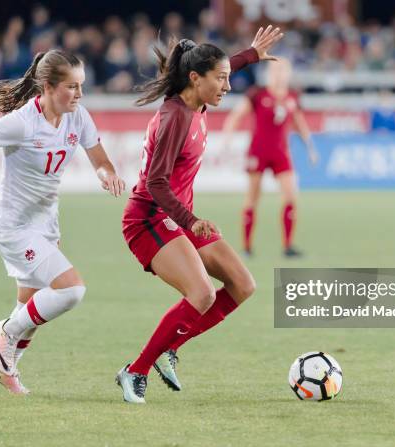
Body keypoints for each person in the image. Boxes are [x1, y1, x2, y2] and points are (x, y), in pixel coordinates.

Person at [117, 26, 283, 403]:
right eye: (221, 79)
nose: (227, 85)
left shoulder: (197, 101)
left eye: (228, 77)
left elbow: (221, 68)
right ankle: (135, 370)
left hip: (178, 216)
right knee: (202, 293)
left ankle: (168, 348)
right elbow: (156, 183)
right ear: (196, 78)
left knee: (242, 285)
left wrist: (251, 54)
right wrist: (191, 221)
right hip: (149, 220)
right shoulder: (176, 116)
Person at [0, 49, 125, 394]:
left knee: (31, 308)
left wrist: (107, 175)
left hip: (45, 223)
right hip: (13, 227)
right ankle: (5, 330)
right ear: (47, 87)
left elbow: (101, 161)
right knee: (71, 290)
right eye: (72, 87)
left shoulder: (78, 116)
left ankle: (5, 368)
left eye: (81, 86)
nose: (79, 94)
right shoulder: (22, 122)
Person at [222, 58, 318, 257]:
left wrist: (310, 148)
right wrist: (227, 141)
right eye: (275, 69)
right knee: (253, 198)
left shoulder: (292, 97)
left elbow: (299, 123)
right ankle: (247, 247)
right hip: (258, 152)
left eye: (283, 70)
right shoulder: (257, 94)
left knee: (291, 196)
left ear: (289, 73)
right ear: (269, 73)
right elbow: (235, 116)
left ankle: (288, 245)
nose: (279, 73)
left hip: (281, 153)